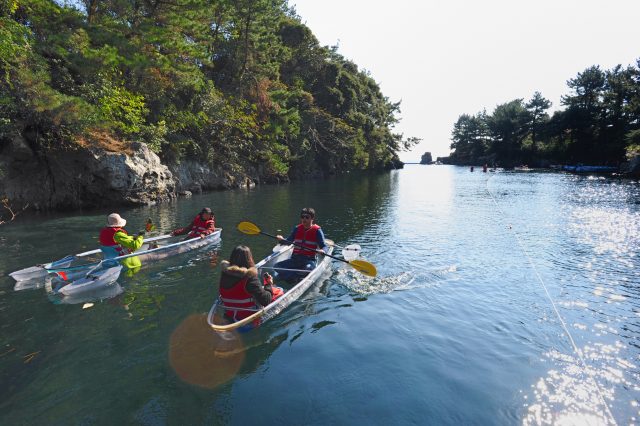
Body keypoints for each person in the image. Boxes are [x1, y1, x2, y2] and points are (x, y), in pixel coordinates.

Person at [219, 246, 283, 324]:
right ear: (249, 259)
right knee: (279, 291)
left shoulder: (224, 274)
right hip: (247, 316)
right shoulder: (250, 277)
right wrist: (268, 284)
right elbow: (265, 301)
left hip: (230, 313)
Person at [273, 207, 327, 283]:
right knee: (276, 266)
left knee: (308, 269)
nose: (304, 219)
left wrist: (323, 250)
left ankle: (286, 276)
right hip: (295, 259)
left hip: (308, 260)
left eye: (307, 217)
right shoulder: (297, 228)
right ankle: (295, 277)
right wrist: (281, 240)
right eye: (302, 217)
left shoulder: (317, 231)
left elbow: (324, 246)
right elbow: (288, 242)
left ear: (312, 218)